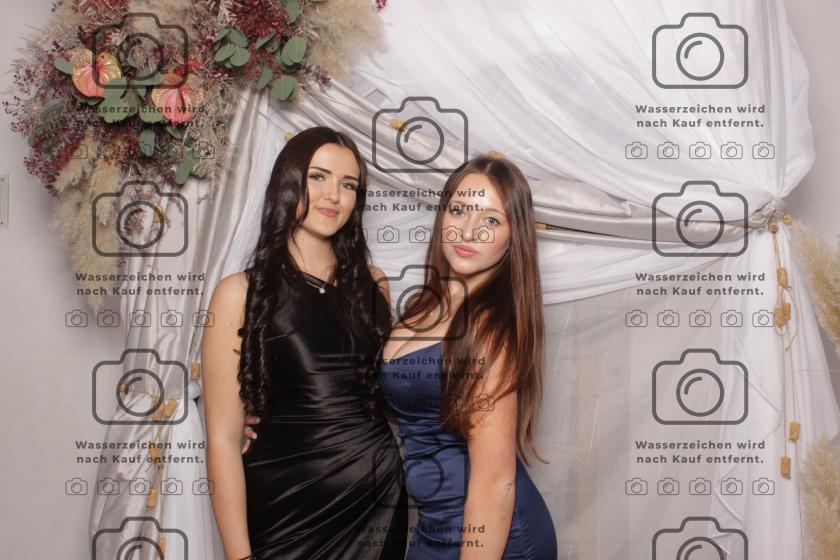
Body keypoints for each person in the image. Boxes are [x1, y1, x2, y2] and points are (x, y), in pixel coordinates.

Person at [202, 126, 407, 560]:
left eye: (348, 185)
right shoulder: (239, 293)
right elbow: (221, 441)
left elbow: (382, 393)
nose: (333, 195)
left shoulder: (374, 285)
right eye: (318, 177)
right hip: (284, 507)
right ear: (288, 181)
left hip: (375, 502)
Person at [378, 156, 557, 559]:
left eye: (491, 220)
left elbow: (496, 483)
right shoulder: (424, 306)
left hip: (492, 535)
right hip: (436, 525)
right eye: (459, 210)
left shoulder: (488, 330)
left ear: (514, 237)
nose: (469, 230)